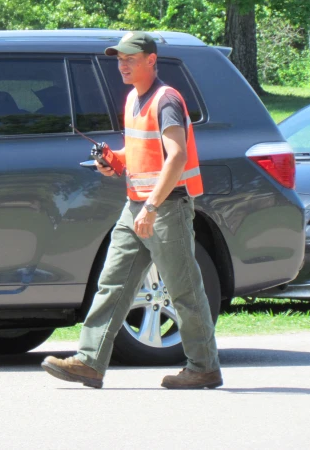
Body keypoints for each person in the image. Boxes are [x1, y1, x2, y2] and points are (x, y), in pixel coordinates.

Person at [41, 31, 222, 390]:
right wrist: (114, 161)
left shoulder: (166, 99)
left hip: (164, 208)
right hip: (136, 205)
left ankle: (203, 366)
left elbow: (177, 157)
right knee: (112, 282)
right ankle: (90, 362)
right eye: (119, 59)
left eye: (130, 58)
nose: (122, 64)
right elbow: (141, 154)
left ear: (151, 60)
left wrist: (152, 206)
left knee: (183, 289)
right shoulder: (132, 99)